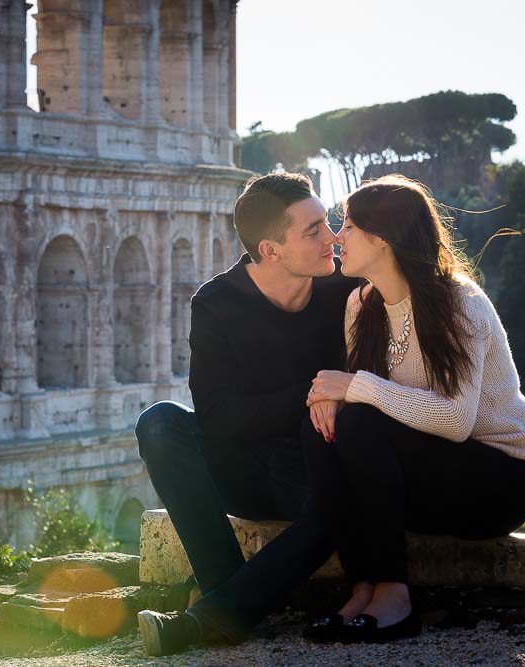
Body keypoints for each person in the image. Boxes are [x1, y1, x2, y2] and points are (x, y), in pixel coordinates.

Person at [301, 174, 525, 643]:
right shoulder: (361, 305)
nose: (337, 237)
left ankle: (396, 597)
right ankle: (363, 587)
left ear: (383, 239)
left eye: (348, 226)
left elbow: (456, 422)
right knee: (322, 428)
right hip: (425, 476)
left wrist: (355, 386)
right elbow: (371, 405)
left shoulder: (459, 303)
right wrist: (337, 398)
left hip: (497, 478)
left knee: (353, 416)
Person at [134, 172, 358, 656]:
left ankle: (223, 612)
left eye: (329, 222)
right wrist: (312, 393)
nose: (332, 237)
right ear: (270, 250)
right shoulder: (217, 303)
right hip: (242, 469)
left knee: (345, 499)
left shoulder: (348, 289)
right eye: (314, 230)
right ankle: (230, 591)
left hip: (312, 471)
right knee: (159, 422)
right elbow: (217, 418)